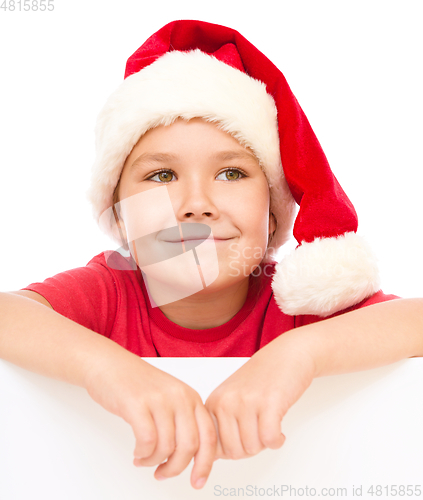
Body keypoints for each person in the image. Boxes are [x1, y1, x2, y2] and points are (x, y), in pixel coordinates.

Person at [0, 19, 422, 491]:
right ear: (119, 216)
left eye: (231, 173)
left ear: (273, 212)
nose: (196, 203)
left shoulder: (296, 307)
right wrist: (105, 367)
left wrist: (300, 354)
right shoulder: (109, 291)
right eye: (161, 176)